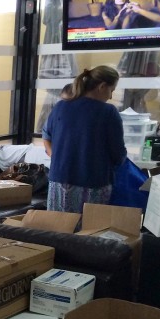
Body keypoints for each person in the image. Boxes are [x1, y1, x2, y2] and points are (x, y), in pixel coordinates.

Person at [42, 66, 127, 213]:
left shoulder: (60, 106)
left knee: (56, 230)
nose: (111, 96)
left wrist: (57, 157)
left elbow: (47, 136)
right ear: (102, 86)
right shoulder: (108, 112)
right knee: (86, 231)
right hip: (92, 182)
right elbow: (117, 153)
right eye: (111, 90)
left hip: (58, 181)